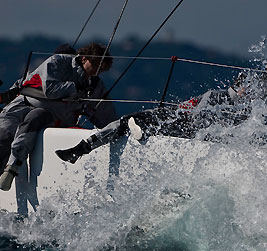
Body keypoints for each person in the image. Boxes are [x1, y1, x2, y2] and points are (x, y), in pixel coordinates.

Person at [0, 42, 117, 191]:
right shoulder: (58, 61)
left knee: (36, 118)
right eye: (96, 65)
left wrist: (115, 128)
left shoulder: (95, 85)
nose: (97, 71)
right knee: (4, 134)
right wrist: (75, 88)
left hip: (51, 116)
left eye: (102, 69)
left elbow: (105, 115)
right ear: (84, 59)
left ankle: (12, 169)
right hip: (22, 105)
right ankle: (8, 170)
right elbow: (49, 89)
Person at [55, 85, 249, 164]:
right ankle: (82, 148)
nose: (245, 93)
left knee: (127, 121)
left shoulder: (233, 107)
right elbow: (198, 117)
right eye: (243, 90)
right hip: (178, 118)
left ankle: (81, 149)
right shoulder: (218, 97)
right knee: (127, 121)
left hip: (179, 122)